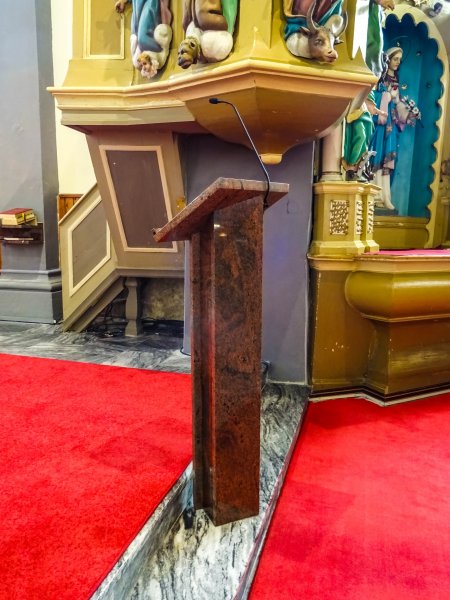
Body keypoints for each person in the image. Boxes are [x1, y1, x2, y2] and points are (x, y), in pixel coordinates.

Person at [369, 47, 405, 209]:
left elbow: (397, 103)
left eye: (399, 60)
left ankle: (385, 195)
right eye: (395, 59)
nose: (397, 62)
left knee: (389, 157)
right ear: (388, 60)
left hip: (392, 124)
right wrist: (387, 96)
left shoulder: (397, 79)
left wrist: (398, 102)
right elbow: (371, 97)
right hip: (381, 122)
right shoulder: (379, 77)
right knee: (378, 153)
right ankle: (374, 194)